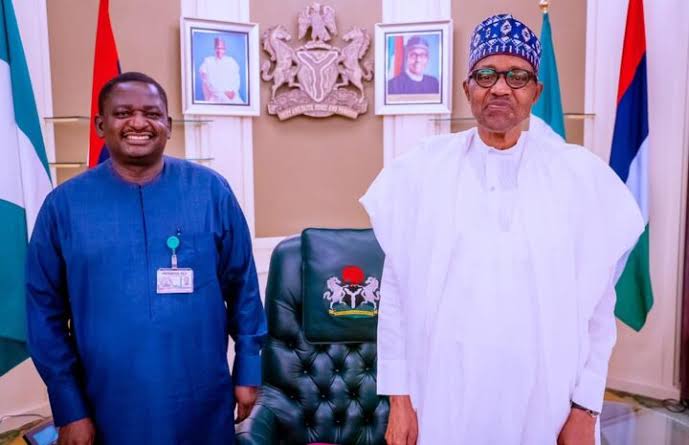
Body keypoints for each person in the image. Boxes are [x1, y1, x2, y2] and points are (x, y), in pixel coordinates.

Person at [361, 13, 643, 445]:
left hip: (545, 409)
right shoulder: (421, 172)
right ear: (467, 89)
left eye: (517, 76)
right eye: (486, 74)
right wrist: (399, 399)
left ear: (536, 92)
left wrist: (586, 408)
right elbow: (396, 294)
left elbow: (600, 306)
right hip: (442, 401)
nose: (499, 87)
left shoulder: (579, 179)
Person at [26, 72, 266, 444]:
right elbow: (44, 312)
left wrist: (249, 370)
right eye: (123, 113)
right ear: (101, 125)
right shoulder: (64, 206)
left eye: (151, 114)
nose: (138, 123)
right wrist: (70, 407)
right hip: (107, 404)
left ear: (167, 125)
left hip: (201, 399)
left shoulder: (210, 191)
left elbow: (243, 288)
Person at [199, 37, 243, 104]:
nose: (220, 51)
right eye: (218, 48)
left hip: (232, 96)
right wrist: (223, 93)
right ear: (215, 49)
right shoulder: (208, 63)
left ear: (225, 49)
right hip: (216, 97)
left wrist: (233, 91)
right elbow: (209, 83)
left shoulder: (231, 61)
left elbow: (236, 79)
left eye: (222, 48)